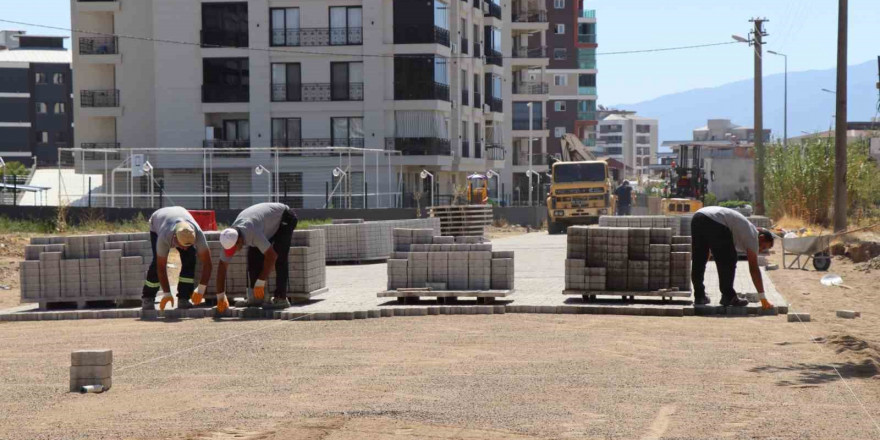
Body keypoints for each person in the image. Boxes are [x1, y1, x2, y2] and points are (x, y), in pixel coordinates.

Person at [216, 203, 298, 312]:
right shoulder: (228, 237)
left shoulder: (252, 233)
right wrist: (221, 297)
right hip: (263, 224)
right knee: (253, 258)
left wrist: (261, 280)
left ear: (239, 240)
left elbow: (271, 256)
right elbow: (222, 267)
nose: (233, 252)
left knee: (279, 256)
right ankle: (256, 298)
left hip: (284, 217)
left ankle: (281, 298)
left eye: (234, 248)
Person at [691, 206, 775, 308]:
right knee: (729, 259)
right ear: (761, 238)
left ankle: (699, 296)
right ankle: (728, 296)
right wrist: (763, 298)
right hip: (716, 221)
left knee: (698, 259)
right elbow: (754, 269)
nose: (760, 250)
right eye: (763, 247)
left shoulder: (744, 229)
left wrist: (704, 259)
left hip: (698, 217)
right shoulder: (753, 236)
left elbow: (709, 248)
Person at [142, 207, 212, 310]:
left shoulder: (197, 233)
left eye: (188, 245)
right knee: (156, 262)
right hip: (158, 221)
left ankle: (183, 298)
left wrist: (201, 289)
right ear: (175, 238)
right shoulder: (164, 236)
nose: (185, 248)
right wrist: (167, 293)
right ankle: (148, 297)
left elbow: (208, 264)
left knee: (190, 258)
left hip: (179, 214)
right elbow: (161, 267)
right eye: (183, 245)